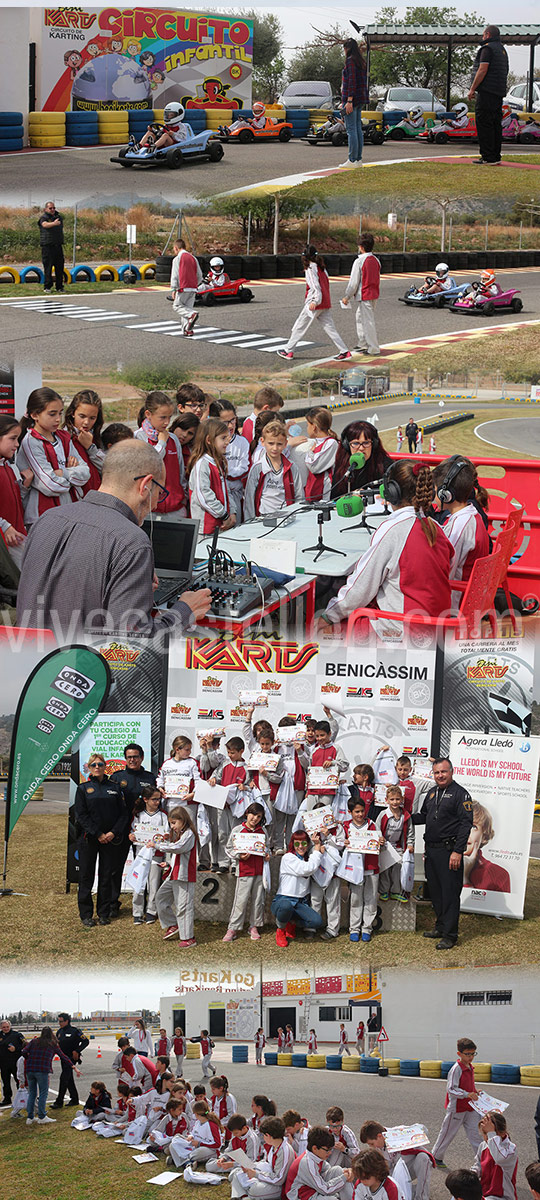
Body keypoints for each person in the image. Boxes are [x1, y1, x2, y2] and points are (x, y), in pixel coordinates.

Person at [16, 439, 211, 634]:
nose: (156, 505)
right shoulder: (131, 542)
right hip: (82, 662)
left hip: (25, 658)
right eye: (159, 493)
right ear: (145, 486)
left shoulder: (46, 519)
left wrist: (128, 586)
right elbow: (131, 643)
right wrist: (184, 611)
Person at [319, 461, 454, 633]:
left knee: (322, 629)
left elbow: (360, 589)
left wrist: (329, 615)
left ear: (391, 492)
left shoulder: (393, 530)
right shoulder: (437, 528)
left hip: (402, 631)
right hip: (436, 627)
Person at [412, 758, 474, 950]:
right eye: (437, 772)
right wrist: (403, 816)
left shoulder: (461, 794)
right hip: (432, 850)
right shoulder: (431, 793)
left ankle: (450, 935)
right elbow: (423, 816)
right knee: (436, 893)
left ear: (451, 772)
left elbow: (466, 825)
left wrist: (458, 851)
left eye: (443, 772)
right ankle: (440, 927)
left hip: (450, 851)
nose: (440, 775)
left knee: (449, 893)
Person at [17, 387, 90, 526]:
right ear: (35, 415)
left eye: (60, 413)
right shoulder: (31, 442)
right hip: (43, 517)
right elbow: (50, 486)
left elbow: (86, 473)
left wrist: (62, 473)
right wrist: (73, 477)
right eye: (52, 414)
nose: (58, 419)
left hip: (69, 512)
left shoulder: (63, 437)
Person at [74, 752, 128, 929]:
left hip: (110, 840)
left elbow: (123, 814)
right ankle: (86, 914)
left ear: (105, 767)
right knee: (86, 877)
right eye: (93, 765)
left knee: (106, 877)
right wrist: (97, 833)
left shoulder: (115, 787)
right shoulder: (83, 789)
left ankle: (104, 913)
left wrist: (112, 832)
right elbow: (81, 815)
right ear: (89, 768)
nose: (97, 767)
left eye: (100, 764)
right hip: (89, 839)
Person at [432, 456, 490, 609]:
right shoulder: (471, 516)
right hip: (471, 595)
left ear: (446, 495)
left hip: (456, 603)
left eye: (435, 490)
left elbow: (444, 569)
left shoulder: (460, 527)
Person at [277, 246, 351, 362]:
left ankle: (288, 350)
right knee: (330, 329)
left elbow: (315, 286)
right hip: (325, 302)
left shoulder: (310, 269)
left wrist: (315, 301)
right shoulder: (322, 268)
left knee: (299, 326)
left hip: (314, 304)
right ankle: (344, 351)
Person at [109, 744, 157, 918]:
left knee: (144, 867)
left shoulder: (150, 778)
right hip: (121, 829)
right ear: (125, 758)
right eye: (129, 757)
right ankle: (113, 903)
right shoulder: (116, 777)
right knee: (115, 867)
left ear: (142, 758)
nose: (132, 760)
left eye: (135, 756)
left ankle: (144, 905)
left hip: (144, 830)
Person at [135, 391, 187, 516]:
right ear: (148, 414)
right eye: (162, 417)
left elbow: (180, 474)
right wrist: (162, 443)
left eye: (170, 417)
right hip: (149, 511)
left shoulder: (173, 439)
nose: (167, 422)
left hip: (175, 508)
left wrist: (182, 498)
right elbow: (150, 465)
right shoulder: (137, 438)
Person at [223, 801, 269, 943]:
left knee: (257, 900)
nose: (255, 818)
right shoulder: (238, 830)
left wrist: (267, 854)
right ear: (247, 814)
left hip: (260, 871)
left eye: (259, 816)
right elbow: (229, 848)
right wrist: (239, 856)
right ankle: (233, 928)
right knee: (240, 900)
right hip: (244, 870)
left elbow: (266, 848)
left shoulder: (263, 831)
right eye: (253, 814)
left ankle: (253, 926)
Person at [432, 1037, 481, 1162]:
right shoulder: (456, 1069)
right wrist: (467, 1094)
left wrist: (475, 1092)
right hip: (457, 1108)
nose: (470, 1057)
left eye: (473, 1054)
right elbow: (451, 1089)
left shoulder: (470, 1067)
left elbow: (469, 1086)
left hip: (471, 1107)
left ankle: (483, 1160)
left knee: (476, 1134)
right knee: (448, 1133)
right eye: (467, 1054)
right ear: (459, 1054)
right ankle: (436, 1156)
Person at [271, 830, 324, 947]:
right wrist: (317, 849)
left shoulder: (307, 858)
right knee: (286, 906)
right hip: (283, 900)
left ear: (308, 844)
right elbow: (307, 869)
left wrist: (318, 849)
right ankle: (281, 929)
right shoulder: (288, 857)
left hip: (300, 902)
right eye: (297, 843)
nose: (301, 847)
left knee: (316, 922)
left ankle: (291, 923)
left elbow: (311, 865)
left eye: (304, 843)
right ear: (292, 844)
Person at [155, 805, 198, 947]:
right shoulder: (180, 834)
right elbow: (175, 854)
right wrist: (167, 865)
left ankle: (188, 938)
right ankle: (172, 924)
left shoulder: (189, 833)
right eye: (170, 823)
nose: (172, 826)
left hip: (184, 875)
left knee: (183, 906)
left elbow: (178, 848)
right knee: (161, 897)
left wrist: (158, 845)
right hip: (174, 873)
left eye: (174, 823)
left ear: (183, 820)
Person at [244, 420, 304, 519]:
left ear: (285, 444)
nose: (275, 448)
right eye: (271, 443)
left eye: (279, 444)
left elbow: (299, 496)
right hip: (263, 518)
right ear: (262, 442)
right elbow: (249, 498)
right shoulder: (257, 468)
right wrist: (249, 522)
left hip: (286, 517)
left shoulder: (292, 467)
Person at [23, 1026, 81, 1125]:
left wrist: (29, 1059)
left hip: (30, 1070)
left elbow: (24, 1051)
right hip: (43, 1070)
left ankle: (30, 1117)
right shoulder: (53, 1044)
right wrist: (73, 1066)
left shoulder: (34, 1041)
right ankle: (42, 1116)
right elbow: (63, 1056)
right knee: (43, 1093)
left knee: (32, 1094)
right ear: (51, 1034)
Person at [468, 26, 509, 165]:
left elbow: (482, 69)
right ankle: (495, 155)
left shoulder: (487, 49)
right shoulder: (502, 50)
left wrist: (472, 89)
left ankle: (487, 157)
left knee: (484, 123)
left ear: (487, 34)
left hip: (486, 92)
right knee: (495, 124)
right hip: (498, 92)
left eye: (483, 34)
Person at [129, 785, 169, 924]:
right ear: (145, 799)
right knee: (138, 883)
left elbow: (167, 834)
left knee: (153, 884)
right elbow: (134, 831)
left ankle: (151, 911)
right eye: (154, 799)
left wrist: (165, 837)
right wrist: (132, 836)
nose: (157, 802)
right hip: (141, 854)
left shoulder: (163, 815)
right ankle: (137, 912)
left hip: (156, 854)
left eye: (158, 799)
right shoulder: (138, 815)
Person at [188, 417, 235, 534]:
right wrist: (224, 515)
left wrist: (233, 512)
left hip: (222, 524)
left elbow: (227, 491)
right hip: (206, 529)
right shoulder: (202, 464)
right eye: (223, 438)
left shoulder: (219, 462)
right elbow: (203, 496)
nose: (227, 441)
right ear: (209, 440)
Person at [331, 421, 392, 499]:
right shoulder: (343, 467)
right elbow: (333, 499)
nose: (361, 448)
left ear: (374, 444)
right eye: (356, 443)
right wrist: (347, 497)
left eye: (366, 443)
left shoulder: (385, 465)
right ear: (347, 445)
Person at [341, 233, 381, 355]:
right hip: (374, 294)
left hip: (365, 295)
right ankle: (362, 342)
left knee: (367, 321)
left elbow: (354, 282)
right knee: (360, 317)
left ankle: (373, 348)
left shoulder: (359, 261)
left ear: (361, 247)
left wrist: (347, 296)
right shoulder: (376, 260)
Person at [0, 416, 30, 570]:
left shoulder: (9, 467)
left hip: (15, 537)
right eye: (12, 438)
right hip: (6, 544)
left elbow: (16, 502)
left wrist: (24, 487)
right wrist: (4, 527)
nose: (17, 444)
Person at [63, 389, 105, 496]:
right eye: (82, 416)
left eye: (92, 418)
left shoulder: (96, 438)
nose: (86, 422)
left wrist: (90, 448)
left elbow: (108, 468)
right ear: (73, 413)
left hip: (97, 496)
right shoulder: (64, 438)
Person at [463, 801, 511, 894]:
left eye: (473, 826)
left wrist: (465, 879)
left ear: (484, 837)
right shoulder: (437, 864)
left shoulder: (499, 875)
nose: (465, 832)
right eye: (459, 824)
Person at [473, 1112, 518, 1200]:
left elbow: (499, 1158)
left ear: (503, 1133)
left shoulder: (511, 1149)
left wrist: (491, 1134)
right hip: (484, 1192)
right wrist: (472, 1174)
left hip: (502, 1197)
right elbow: (478, 1165)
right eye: (484, 1133)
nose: (486, 1137)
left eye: (490, 1133)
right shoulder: (483, 1145)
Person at [340, 37, 368, 168]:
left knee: (351, 129)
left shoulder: (350, 61)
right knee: (357, 129)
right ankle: (358, 159)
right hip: (360, 98)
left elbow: (351, 81)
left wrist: (348, 100)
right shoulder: (360, 61)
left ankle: (352, 159)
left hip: (352, 99)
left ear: (347, 49)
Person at [51, 1013, 89, 1109]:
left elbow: (86, 1041)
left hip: (71, 1058)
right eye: (58, 1021)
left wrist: (77, 1051)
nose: (59, 1023)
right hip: (63, 1058)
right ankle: (75, 1099)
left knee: (64, 1078)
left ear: (67, 1021)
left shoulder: (75, 1031)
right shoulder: (59, 1032)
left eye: (61, 1021)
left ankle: (59, 1102)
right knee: (69, 1079)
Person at [303, 407, 339, 502]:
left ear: (314, 427)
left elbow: (314, 466)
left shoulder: (331, 443)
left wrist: (309, 452)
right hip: (312, 490)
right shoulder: (315, 442)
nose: (307, 429)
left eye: (307, 425)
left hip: (324, 495)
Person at [170, 238, 203, 336]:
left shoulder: (177, 259)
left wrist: (174, 288)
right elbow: (199, 275)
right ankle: (187, 329)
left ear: (176, 248)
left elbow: (175, 275)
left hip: (182, 287)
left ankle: (191, 315)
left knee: (177, 306)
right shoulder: (193, 258)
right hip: (193, 287)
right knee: (187, 308)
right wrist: (195, 284)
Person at [38, 200, 65, 293]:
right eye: (50, 208)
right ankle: (47, 287)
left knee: (59, 267)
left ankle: (59, 287)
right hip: (47, 246)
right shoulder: (44, 217)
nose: (52, 209)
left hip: (57, 246)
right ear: (46, 209)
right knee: (48, 267)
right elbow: (44, 225)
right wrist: (54, 223)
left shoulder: (58, 217)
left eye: (54, 208)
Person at [0, 1020, 26, 1108]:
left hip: (15, 1063)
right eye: (4, 1027)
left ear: (10, 1026)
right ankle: (7, 1099)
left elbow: (25, 1045)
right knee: (5, 1082)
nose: (6, 1029)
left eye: (7, 1027)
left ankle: (21, 1098)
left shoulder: (17, 1035)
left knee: (19, 1080)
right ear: (1, 1027)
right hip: (3, 1063)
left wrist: (16, 1049)